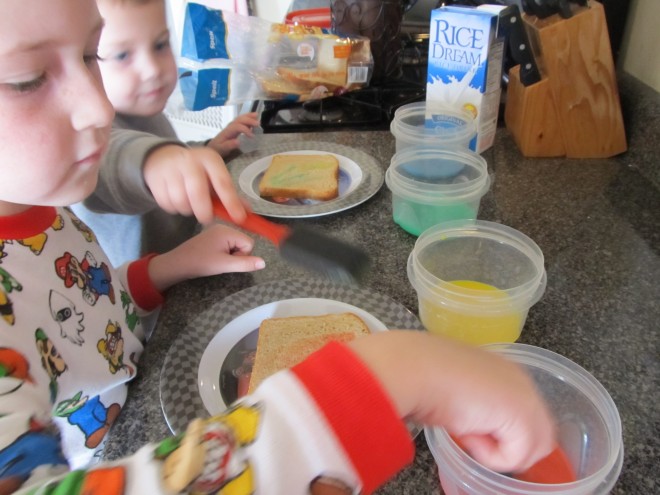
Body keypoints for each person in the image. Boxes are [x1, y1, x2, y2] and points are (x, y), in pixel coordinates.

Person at [0, 0, 556, 493]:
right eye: (26, 78)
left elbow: (76, 314)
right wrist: (390, 376)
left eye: (90, 56)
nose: (99, 109)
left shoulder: (37, 213)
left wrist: (160, 271)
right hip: (108, 444)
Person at [70, 0, 262, 267]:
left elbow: (168, 152)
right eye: (122, 55)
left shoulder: (146, 111)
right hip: (148, 300)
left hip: (191, 255)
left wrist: (205, 148)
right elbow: (114, 159)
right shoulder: (88, 137)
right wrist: (150, 162)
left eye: (160, 45)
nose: (152, 69)